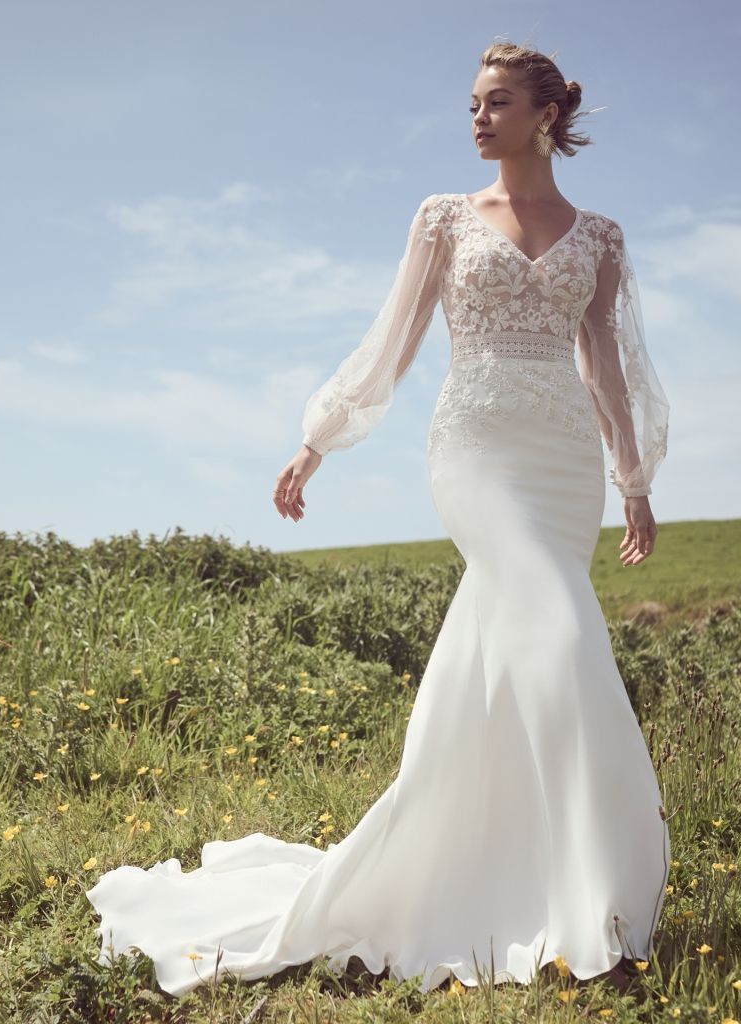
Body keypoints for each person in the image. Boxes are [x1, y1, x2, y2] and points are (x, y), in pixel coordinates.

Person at [86, 41, 671, 997]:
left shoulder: (598, 236)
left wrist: (633, 477)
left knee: (506, 656)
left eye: (497, 102)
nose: (476, 117)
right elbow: (394, 340)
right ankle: (593, 892)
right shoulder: (443, 217)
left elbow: (603, 361)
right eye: (473, 102)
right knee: (565, 637)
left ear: (546, 115)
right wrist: (318, 439)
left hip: (566, 465)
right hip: (476, 453)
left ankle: (507, 876)